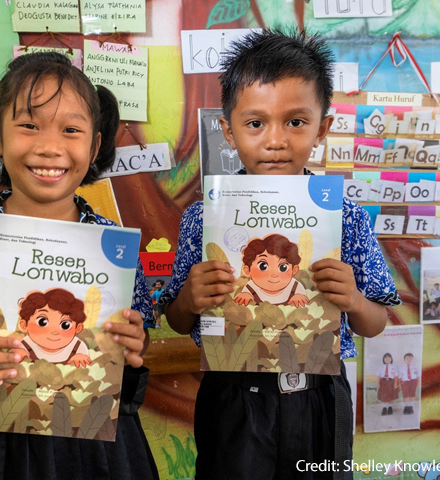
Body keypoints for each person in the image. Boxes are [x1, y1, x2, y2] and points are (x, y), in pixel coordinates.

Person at [160, 29, 400, 479]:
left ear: (321, 128)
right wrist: (189, 300)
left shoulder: (343, 213)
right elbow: (178, 320)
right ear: (228, 131)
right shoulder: (202, 218)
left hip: (318, 394)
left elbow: (376, 322)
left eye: (295, 121)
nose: (275, 140)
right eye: (255, 123)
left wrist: (353, 300)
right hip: (232, 396)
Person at [0, 52, 159, 480]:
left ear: (95, 144)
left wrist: (136, 340)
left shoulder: (112, 243)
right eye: (29, 125)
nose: (49, 147)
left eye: (71, 130)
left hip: (103, 446)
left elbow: (138, 338)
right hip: (2, 446)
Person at [13, 288, 91, 367]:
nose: (54, 331)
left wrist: (81, 357)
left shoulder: (76, 346)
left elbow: (85, 359)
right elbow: (17, 353)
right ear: (24, 325)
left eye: (65, 325)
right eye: (42, 322)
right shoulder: (26, 344)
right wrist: (20, 352)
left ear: (78, 328)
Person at [234, 234, 309, 307]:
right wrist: (245, 295)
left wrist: (299, 296)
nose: (274, 274)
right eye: (263, 266)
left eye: (283, 267)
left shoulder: (295, 286)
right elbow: (245, 300)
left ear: (294, 270)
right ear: (247, 271)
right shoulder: (251, 287)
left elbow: (303, 299)